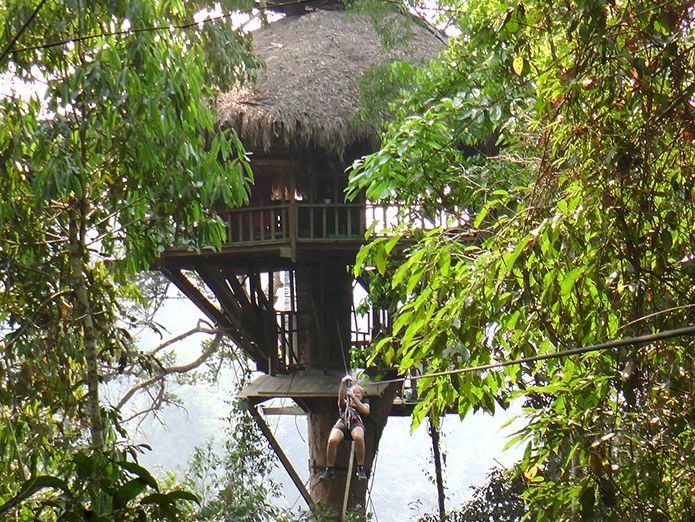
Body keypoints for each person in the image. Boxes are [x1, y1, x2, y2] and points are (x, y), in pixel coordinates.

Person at [320, 376, 370, 481]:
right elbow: (341, 398)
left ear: (361, 396)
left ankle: (360, 468)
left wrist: (354, 397)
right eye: (353, 392)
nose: (355, 394)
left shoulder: (364, 403)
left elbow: (365, 411)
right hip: (344, 422)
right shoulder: (345, 404)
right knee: (332, 440)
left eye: (358, 393)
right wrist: (343, 383)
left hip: (355, 422)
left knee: (359, 437)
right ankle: (329, 469)